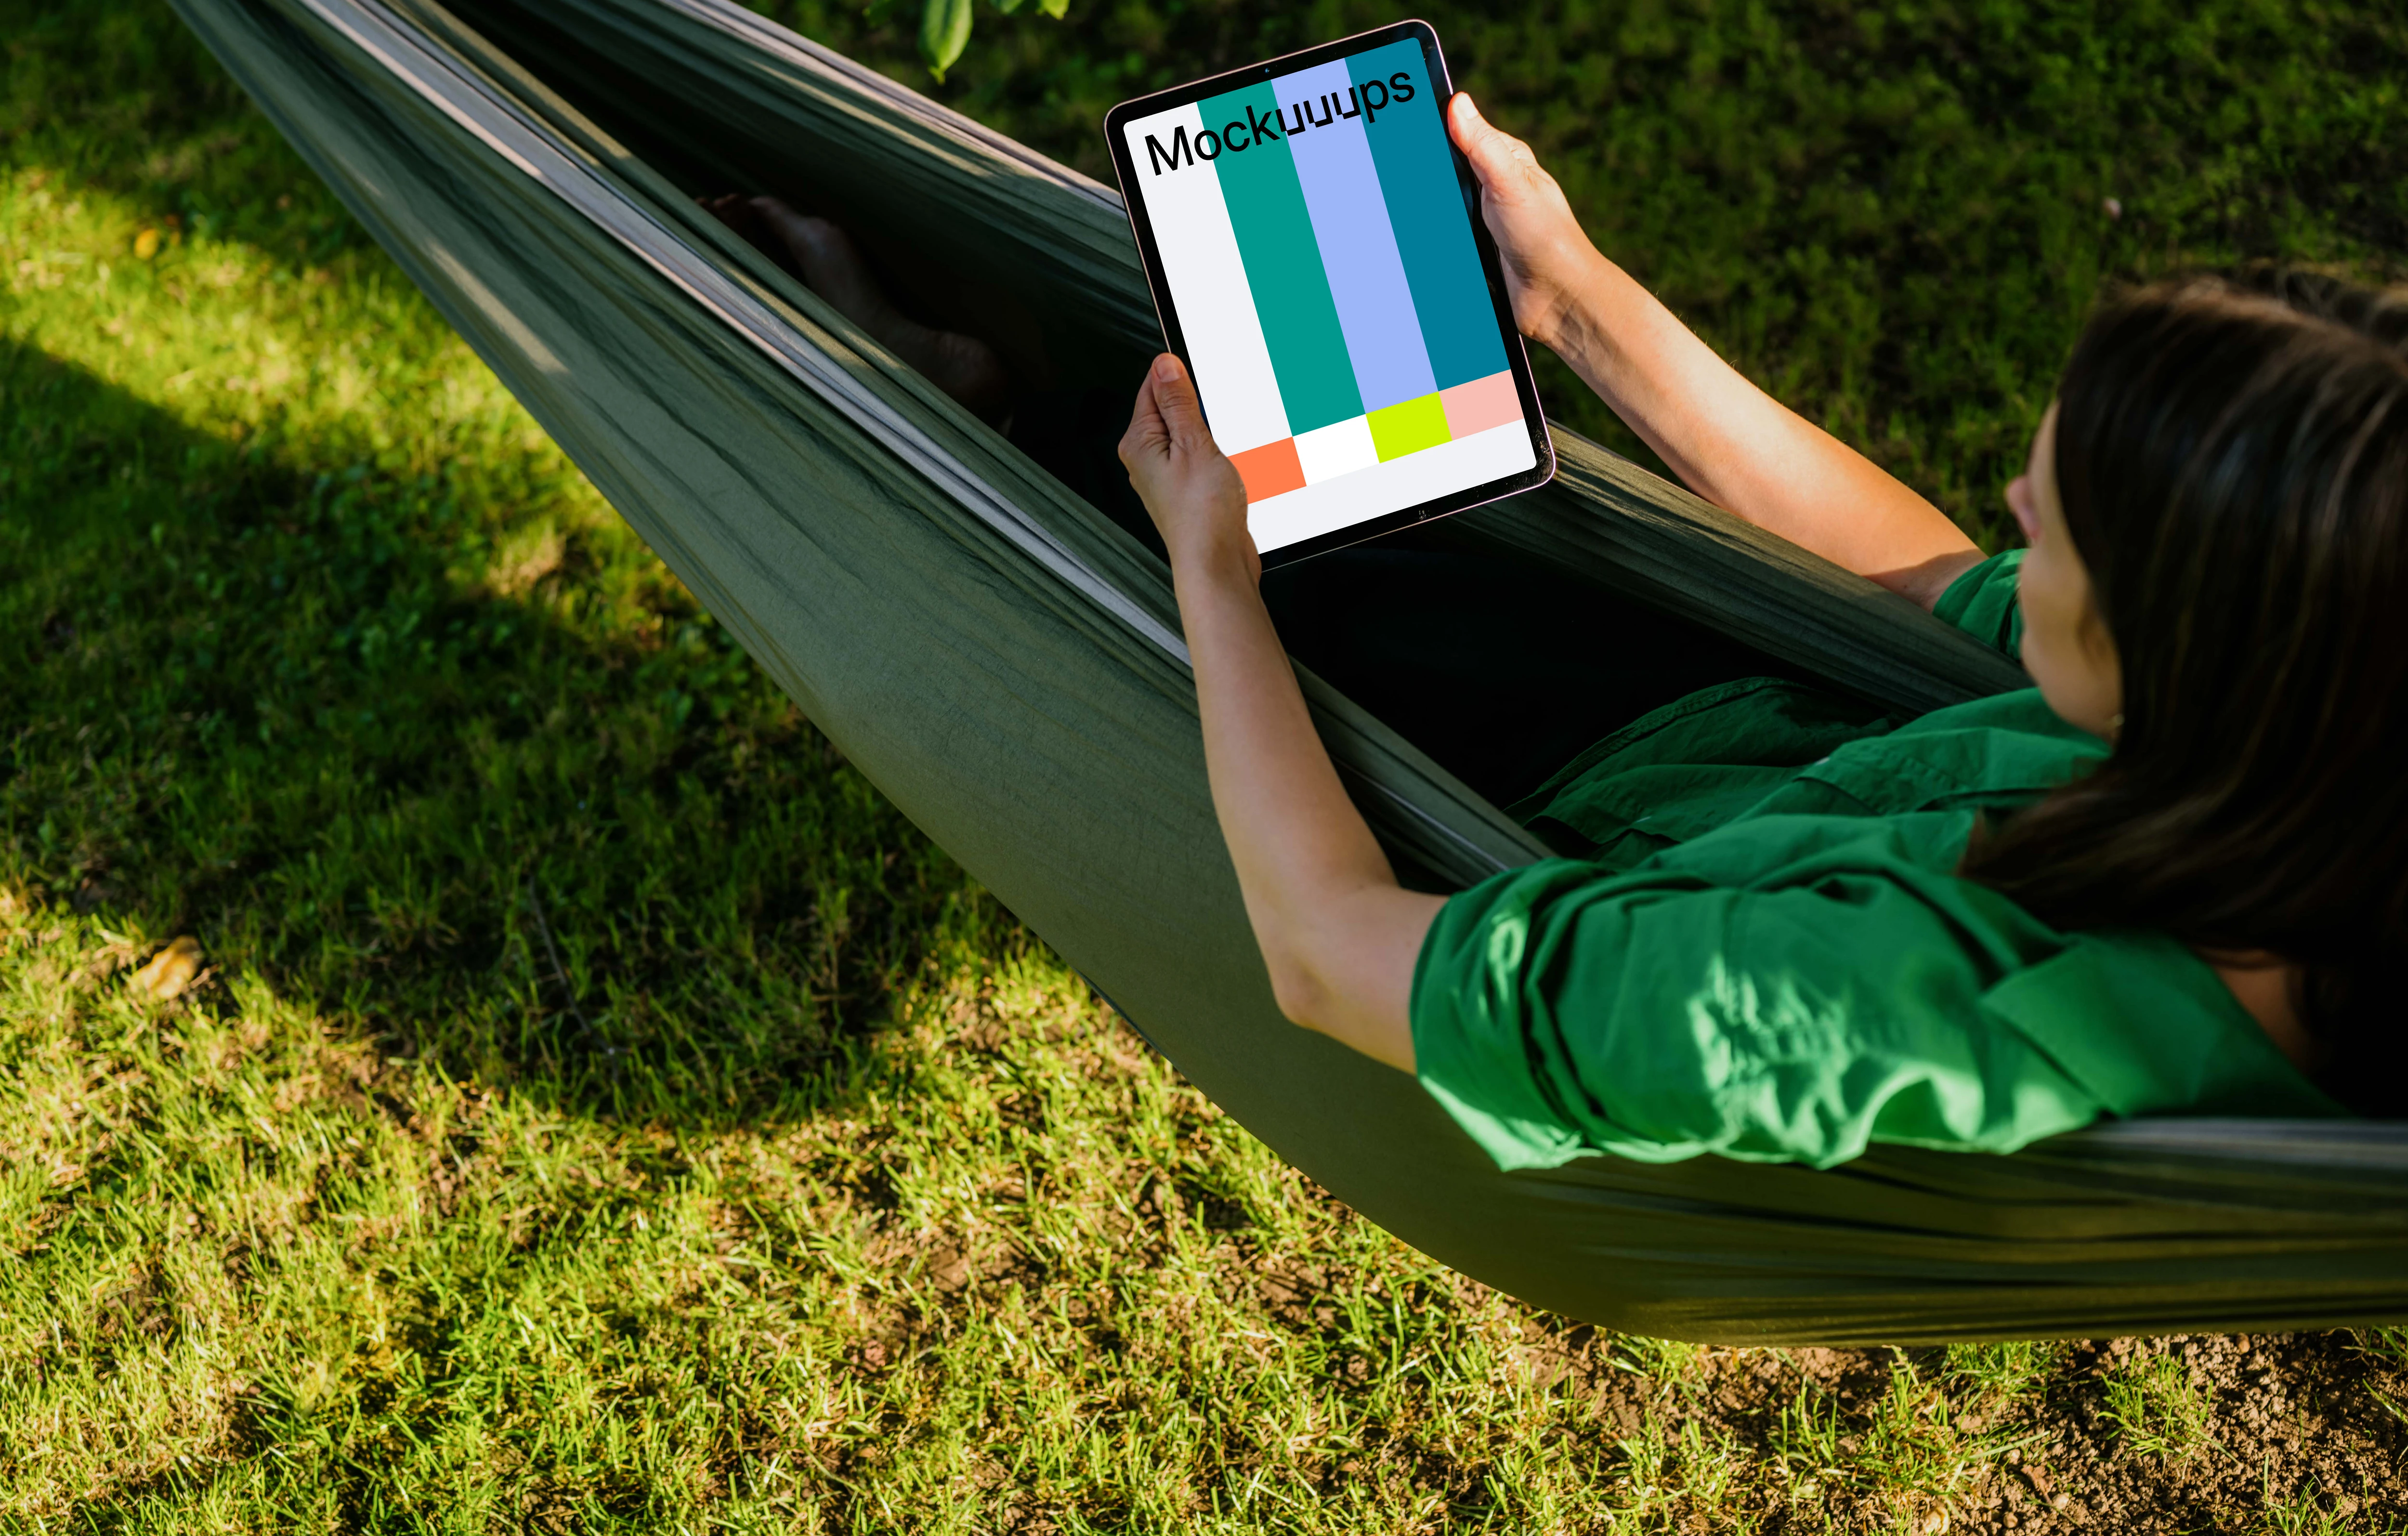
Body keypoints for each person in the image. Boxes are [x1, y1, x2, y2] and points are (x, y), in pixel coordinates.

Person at [717, 95, 2408, 1169]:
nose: (2014, 519)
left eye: (2059, 530)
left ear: (2201, 665)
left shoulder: (1827, 1011)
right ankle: (1011, 392)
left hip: (1538, 844)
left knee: (1181, 536)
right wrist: (1575, 293)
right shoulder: (2322, 761)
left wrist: (1210, 578)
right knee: (1328, 450)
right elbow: (1935, 598)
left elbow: (1324, 952)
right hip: (1752, 750)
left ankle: (963, 427)